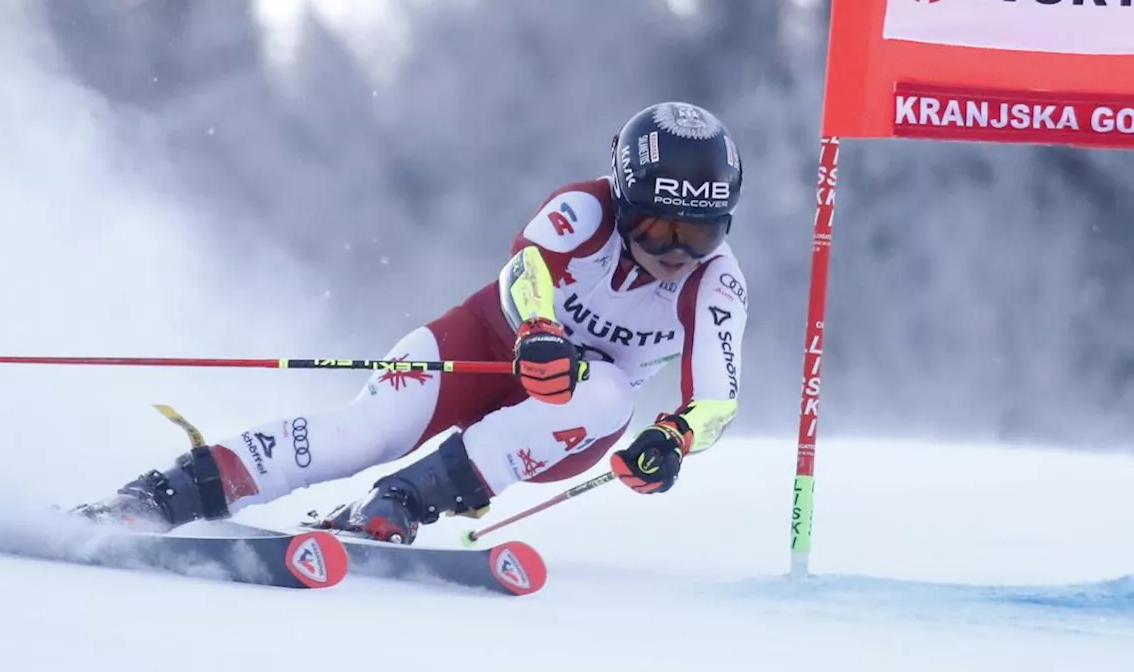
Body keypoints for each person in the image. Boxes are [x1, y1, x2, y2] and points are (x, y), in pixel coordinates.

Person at [71, 101, 749, 545]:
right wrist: (539, 328)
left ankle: (400, 501)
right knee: (367, 430)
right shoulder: (585, 209)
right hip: (486, 347)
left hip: (562, 425)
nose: (674, 253)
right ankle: (162, 496)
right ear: (623, 200)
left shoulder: (716, 281)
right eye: (657, 227)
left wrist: (672, 440)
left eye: (699, 232)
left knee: (603, 388)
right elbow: (525, 267)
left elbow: (717, 396)